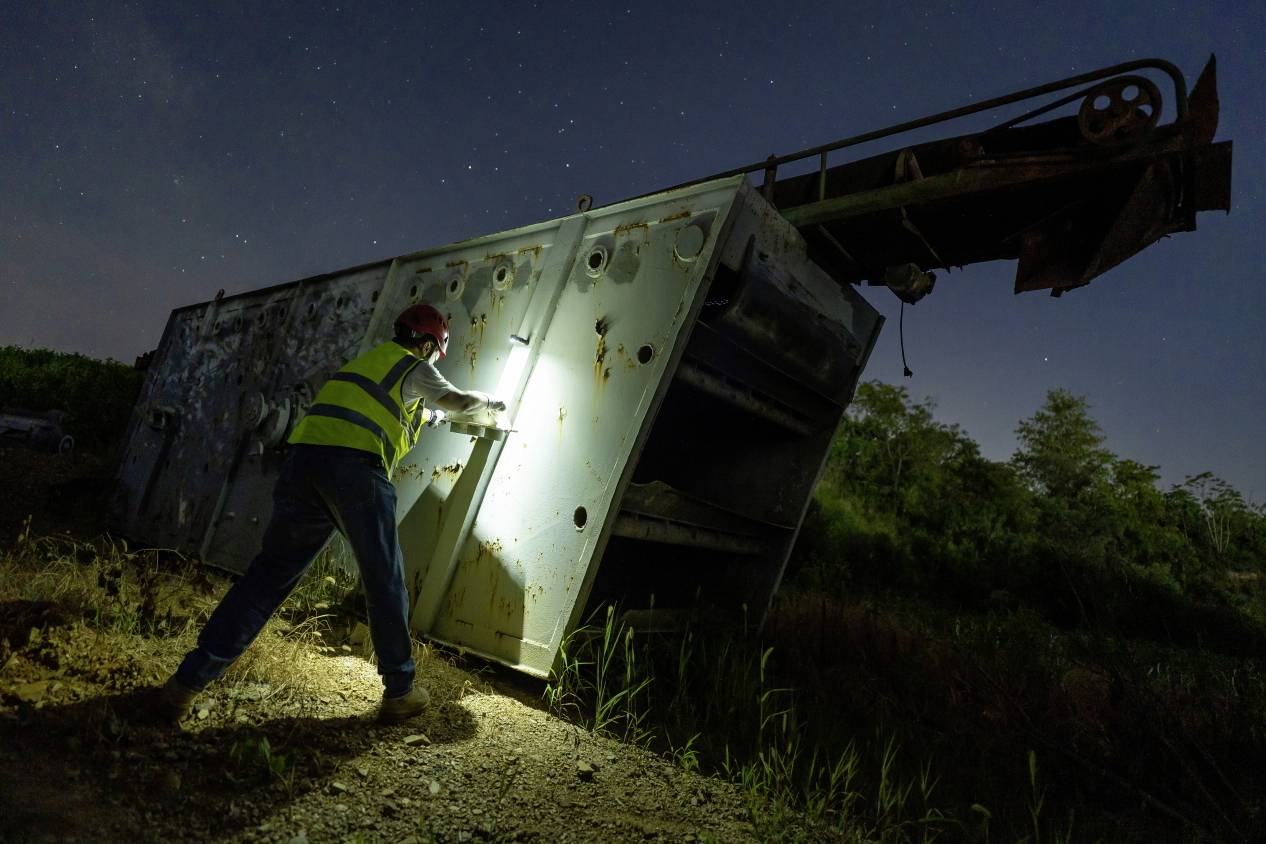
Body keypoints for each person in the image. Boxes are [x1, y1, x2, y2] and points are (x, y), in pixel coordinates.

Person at [158, 303, 504, 724]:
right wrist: (491, 403)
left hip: (303, 467)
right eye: (436, 351)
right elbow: (456, 400)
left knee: (266, 580)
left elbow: (395, 406)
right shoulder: (412, 365)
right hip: (354, 472)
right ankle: (400, 690)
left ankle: (185, 684)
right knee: (385, 579)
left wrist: (426, 415)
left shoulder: (366, 364)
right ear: (430, 344)